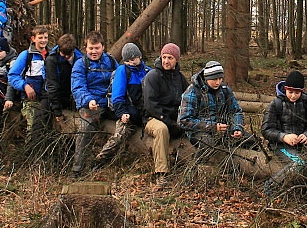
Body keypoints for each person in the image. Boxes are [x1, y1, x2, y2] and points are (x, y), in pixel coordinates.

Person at [260, 70, 307, 199]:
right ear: (285, 89)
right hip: (280, 146)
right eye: (290, 92)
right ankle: (271, 185)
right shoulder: (276, 104)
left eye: (297, 93)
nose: (293, 96)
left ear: (302, 91)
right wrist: (283, 137)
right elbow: (266, 129)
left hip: (303, 147)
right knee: (298, 163)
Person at [94, 43, 151, 168]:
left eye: (133, 59)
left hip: (143, 111)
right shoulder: (122, 71)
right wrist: (122, 113)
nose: (131, 63)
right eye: (127, 61)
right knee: (120, 135)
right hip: (126, 109)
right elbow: (117, 96)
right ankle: (101, 159)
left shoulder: (148, 71)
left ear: (140, 57)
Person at [178, 60, 254, 154]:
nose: (218, 82)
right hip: (199, 131)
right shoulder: (193, 91)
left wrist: (237, 128)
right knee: (209, 145)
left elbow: (236, 111)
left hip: (223, 130)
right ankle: (199, 165)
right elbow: (184, 121)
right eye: (214, 79)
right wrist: (212, 127)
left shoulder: (224, 90)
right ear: (206, 78)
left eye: (220, 78)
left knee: (252, 141)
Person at [70, 31, 117, 175]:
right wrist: (88, 100)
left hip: (110, 101)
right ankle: (78, 168)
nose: (94, 51)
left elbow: (120, 79)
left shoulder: (110, 61)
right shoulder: (80, 64)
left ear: (103, 47)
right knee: (85, 128)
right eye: (91, 48)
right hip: (91, 103)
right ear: (86, 48)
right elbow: (77, 87)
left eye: (97, 48)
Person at [142, 43, 189, 185]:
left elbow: (187, 98)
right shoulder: (152, 77)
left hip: (173, 118)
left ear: (177, 60)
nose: (166, 61)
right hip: (153, 117)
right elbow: (150, 105)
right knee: (161, 130)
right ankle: (161, 173)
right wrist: (168, 121)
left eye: (170, 58)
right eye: (164, 57)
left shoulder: (180, 78)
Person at [6, 25, 53, 145]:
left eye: (46, 37)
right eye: (40, 37)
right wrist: (25, 86)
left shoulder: (52, 55)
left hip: (49, 98)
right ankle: (30, 154)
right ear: (33, 39)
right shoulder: (26, 55)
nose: (43, 40)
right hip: (31, 99)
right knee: (33, 127)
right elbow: (12, 76)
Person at [40, 33, 81, 129]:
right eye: (64, 54)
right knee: (42, 118)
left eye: (69, 54)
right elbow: (52, 86)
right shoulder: (51, 60)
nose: (66, 57)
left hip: (71, 94)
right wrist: (57, 111)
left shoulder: (80, 59)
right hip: (51, 94)